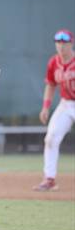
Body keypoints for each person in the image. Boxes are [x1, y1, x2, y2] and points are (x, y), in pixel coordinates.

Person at [34, 29, 75, 191]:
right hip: (66, 105)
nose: (61, 46)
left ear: (71, 43)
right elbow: (51, 85)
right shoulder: (53, 62)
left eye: (64, 43)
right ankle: (49, 179)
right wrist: (45, 107)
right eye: (58, 43)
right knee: (50, 138)